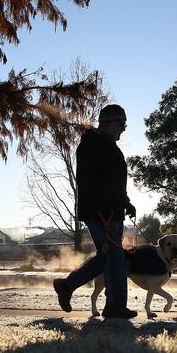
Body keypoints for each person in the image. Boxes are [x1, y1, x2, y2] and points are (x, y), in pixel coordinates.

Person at [53, 104, 137, 319]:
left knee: (107, 255)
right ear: (108, 122)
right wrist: (104, 204)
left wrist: (125, 202)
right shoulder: (91, 145)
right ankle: (115, 305)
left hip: (112, 210)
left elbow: (116, 182)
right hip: (100, 211)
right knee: (115, 255)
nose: (123, 129)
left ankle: (67, 286)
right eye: (121, 124)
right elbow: (87, 180)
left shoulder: (110, 146)